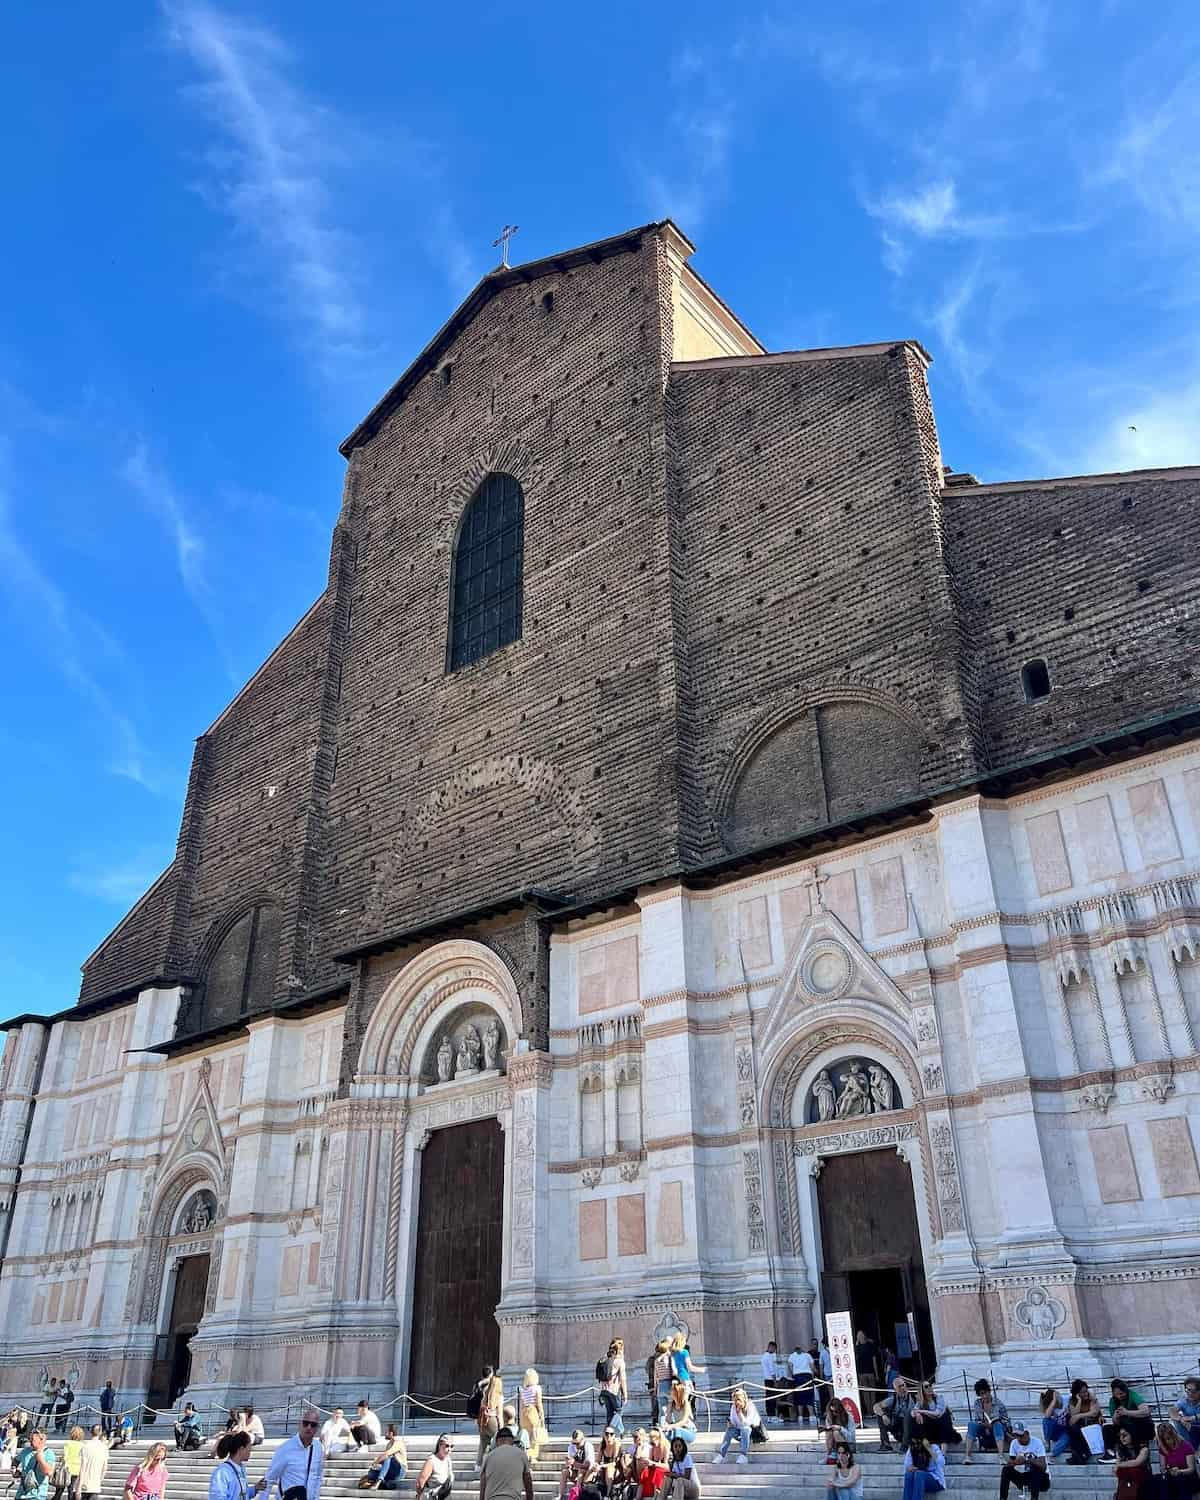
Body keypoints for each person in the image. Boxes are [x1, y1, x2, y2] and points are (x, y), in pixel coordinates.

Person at [263, 1409, 325, 1500]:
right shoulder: (285, 1449)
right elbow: (269, 1479)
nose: (309, 1427)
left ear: (317, 1428)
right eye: (305, 1423)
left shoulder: (318, 1448)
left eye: (313, 1425)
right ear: (299, 1424)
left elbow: (318, 1476)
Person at [1001, 1421, 1049, 1500]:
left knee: (1035, 1468)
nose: (1018, 1438)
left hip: (1041, 1481)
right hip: (1024, 1478)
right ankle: (1002, 1498)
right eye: (1016, 1435)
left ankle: (1034, 1498)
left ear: (1027, 1433)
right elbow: (1009, 1464)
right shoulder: (1014, 1443)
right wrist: (1016, 1462)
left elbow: (1043, 1467)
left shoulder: (1037, 1443)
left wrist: (1027, 1460)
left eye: (1020, 1435)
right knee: (1006, 1470)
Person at [965, 1380, 1011, 1463]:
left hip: (998, 1428)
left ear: (989, 1391)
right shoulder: (977, 1403)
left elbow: (1006, 1420)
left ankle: (1001, 1456)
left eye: (985, 1393)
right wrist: (985, 1425)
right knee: (971, 1424)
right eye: (981, 1394)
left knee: (997, 1424)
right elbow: (977, 1419)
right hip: (984, 1427)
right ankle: (967, 1456)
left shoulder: (998, 1403)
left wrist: (994, 1423)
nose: (984, 1396)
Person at [211, 1432, 267, 1500]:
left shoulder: (241, 1468)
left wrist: (255, 1488)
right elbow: (218, 1497)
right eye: (249, 1449)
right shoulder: (222, 1472)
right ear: (241, 1449)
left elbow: (241, 1494)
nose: (250, 1452)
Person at [479, 1429, 532, 1500]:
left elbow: (483, 1484)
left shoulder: (488, 1456)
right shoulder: (521, 1454)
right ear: (512, 1440)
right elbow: (528, 1480)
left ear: (497, 1441)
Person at [712, 1389, 759, 1467]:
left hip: (752, 1433)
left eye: (738, 1399)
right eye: (734, 1399)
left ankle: (743, 1455)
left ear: (743, 1398)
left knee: (745, 1429)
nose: (736, 1402)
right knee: (729, 1430)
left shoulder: (750, 1406)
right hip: (740, 1432)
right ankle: (721, 1455)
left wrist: (739, 1413)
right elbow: (733, 1421)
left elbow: (747, 1423)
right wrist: (730, 1424)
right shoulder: (733, 1407)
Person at [1104, 1383, 1154, 1456]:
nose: (1119, 1396)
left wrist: (1127, 1412)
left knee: (1142, 1421)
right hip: (1124, 1426)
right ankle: (1110, 1453)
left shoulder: (1133, 1395)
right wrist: (1115, 1416)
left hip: (1137, 1425)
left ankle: (1141, 1446)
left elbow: (1146, 1411)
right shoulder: (1112, 1401)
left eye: (1121, 1393)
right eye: (1117, 1394)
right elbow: (1115, 1423)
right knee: (1107, 1429)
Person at [1064, 1380, 1105, 1466]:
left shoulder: (1092, 1398)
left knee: (1075, 1429)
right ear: (1077, 1393)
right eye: (1082, 1392)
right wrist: (1079, 1401)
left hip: (1092, 1423)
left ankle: (1080, 1455)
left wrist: (1080, 1416)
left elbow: (1094, 1413)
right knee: (1071, 1426)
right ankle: (1080, 1455)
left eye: (1086, 1391)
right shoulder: (1073, 1400)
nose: (1085, 1394)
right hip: (1081, 1425)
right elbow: (1073, 1416)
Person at [1155, 1421, 1198, 1500]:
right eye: (1165, 1439)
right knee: (1161, 1483)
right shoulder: (1162, 1449)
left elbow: (1191, 1469)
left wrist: (1180, 1471)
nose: (1169, 1441)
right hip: (1171, 1476)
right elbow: (1162, 1468)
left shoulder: (1186, 1446)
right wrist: (1167, 1470)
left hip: (1187, 1476)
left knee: (1180, 1481)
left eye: (1170, 1438)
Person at [876, 1378, 918, 1453]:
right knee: (880, 1415)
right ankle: (886, 1445)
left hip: (910, 1430)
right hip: (897, 1428)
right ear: (895, 1390)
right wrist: (883, 1415)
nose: (902, 1388)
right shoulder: (893, 1399)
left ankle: (905, 1446)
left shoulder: (914, 1399)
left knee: (908, 1414)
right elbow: (876, 1406)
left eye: (903, 1385)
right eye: (899, 1387)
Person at [476, 1367, 504, 1471]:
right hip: (492, 1420)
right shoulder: (499, 1396)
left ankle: (478, 1465)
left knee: (483, 1443)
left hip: (483, 1420)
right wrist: (501, 1428)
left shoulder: (485, 1395)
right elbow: (500, 1414)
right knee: (499, 1442)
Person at [1112, 1426, 1150, 1500]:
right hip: (1127, 1483)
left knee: (1133, 1471)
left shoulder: (1143, 1448)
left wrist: (1120, 1465)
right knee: (1123, 1472)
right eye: (1120, 1435)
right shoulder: (1120, 1450)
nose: (1122, 1438)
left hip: (1143, 1482)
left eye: (1124, 1435)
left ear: (1132, 1434)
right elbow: (1116, 1469)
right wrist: (1119, 1466)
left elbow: (1137, 1462)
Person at [599, 1340, 628, 1437]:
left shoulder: (605, 1359)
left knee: (610, 1413)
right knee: (619, 1411)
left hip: (603, 1390)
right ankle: (610, 1428)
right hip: (613, 1391)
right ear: (620, 1350)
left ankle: (620, 1432)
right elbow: (622, 1379)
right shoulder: (619, 1362)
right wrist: (625, 1394)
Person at [15, 1431, 56, 1500]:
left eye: (32, 1439)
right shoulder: (25, 1451)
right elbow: (15, 1461)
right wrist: (14, 1469)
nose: (30, 1441)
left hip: (37, 1496)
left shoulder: (48, 1453)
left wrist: (40, 1459)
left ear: (42, 1440)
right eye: (30, 1439)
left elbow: (49, 1472)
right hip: (21, 1494)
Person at [558, 1430, 596, 1500]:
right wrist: (568, 1465)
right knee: (564, 1472)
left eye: (577, 1443)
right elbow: (570, 1462)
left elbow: (587, 1465)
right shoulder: (571, 1446)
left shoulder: (588, 1446)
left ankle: (577, 1495)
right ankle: (560, 1495)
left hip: (588, 1473)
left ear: (583, 1439)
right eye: (574, 1443)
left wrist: (574, 1463)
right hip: (576, 1471)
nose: (576, 1445)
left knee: (580, 1471)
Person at [412, 1435, 453, 1500]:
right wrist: (419, 1497)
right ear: (440, 1445)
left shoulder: (448, 1460)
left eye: (452, 1446)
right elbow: (420, 1482)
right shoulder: (432, 1461)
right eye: (447, 1446)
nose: (449, 1449)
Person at [518, 1372, 545, 1462]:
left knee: (527, 1437)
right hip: (533, 1412)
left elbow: (521, 1405)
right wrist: (541, 1415)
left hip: (524, 1413)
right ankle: (532, 1456)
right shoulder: (537, 1388)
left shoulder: (523, 1390)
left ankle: (525, 1455)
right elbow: (539, 1403)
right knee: (534, 1437)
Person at [789, 1345, 816, 1426]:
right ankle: (811, 1416)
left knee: (799, 1396)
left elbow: (790, 1365)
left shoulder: (792, 1356)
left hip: (797, 1376)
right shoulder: (808, 1355)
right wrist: (814, 1375)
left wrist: (792, 1374)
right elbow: (812, 1367)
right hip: (807, 1375)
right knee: (809, 1396)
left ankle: (800, 1416)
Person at [78, 1428, 107, 1500]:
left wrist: (78, 1487)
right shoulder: (104, 1448)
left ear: (91, 1432)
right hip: (95, 1486)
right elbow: (105, 1468)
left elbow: (82, 1468)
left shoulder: (85, 1446)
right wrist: (99, 1480)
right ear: (100, 1433)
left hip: (84, 1485)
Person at [57, 1425, 85, 1500]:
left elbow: (65, 1456)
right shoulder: (82, 1445)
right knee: (71, 1489)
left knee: (60, 1490)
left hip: (67, 1469)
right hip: (76, 1469)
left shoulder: (68, 1443)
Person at [760, 1343, 786, 1425]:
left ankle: (770, 1416)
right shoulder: (769, 1357)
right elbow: (772, 1371)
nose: (774, 1351)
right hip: (771, 1380)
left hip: (766, 1379)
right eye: (774, 1349)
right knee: (772, 1398)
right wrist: (775, 1382)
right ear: (771, 1347)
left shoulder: (764, 1356)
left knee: (769, 1398)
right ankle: (773, 1416)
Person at [1040, 1392, 1070, 1460]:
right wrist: (1053, 1402)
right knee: (1046, 1420)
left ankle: (1052, 1454)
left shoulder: (1066, 1399)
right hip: (1055, 1430)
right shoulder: (1051, 1407)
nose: (1059, 1404)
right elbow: (1046, 1417)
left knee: (1066, 1437)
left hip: (1065, 1430)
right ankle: (1047, 1442)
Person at [652, 1343, 674, 1424]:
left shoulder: (656, 1361)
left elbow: (655, 1376)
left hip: (660, 1385)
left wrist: (655, 1388)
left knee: (662, 1410)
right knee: (671, 1408)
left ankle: (662, 1426)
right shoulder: (668, 1359)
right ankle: (672, 1425)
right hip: (668, 1384)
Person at [596, 1428, 623, 1493]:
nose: (609, 1436)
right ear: (604, 1435)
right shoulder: (602, 1444)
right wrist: (596, 1466)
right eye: (607, 1433)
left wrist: (602, 1465)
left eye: (611, 1434)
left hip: (617, 1468)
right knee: (593, 1469)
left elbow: (614, 1463)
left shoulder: (616, 1443)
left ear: (614, 1436)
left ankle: (608, 1494)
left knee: (609, 1469)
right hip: (605, 1467)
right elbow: (598, 1460)